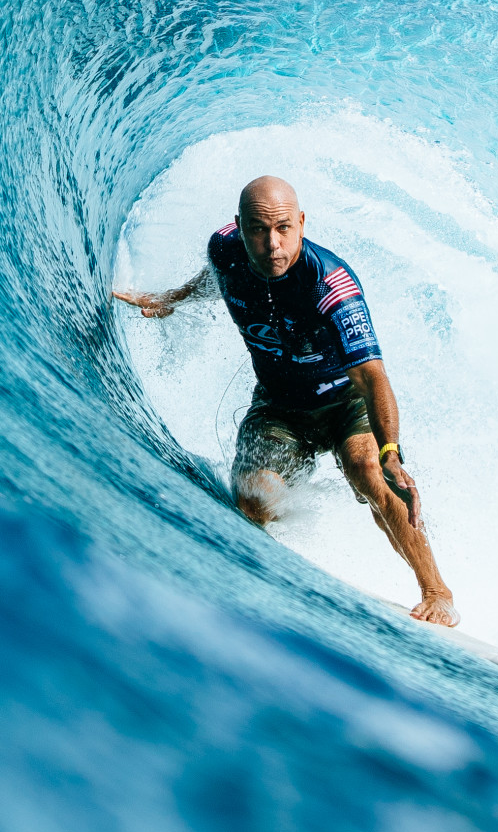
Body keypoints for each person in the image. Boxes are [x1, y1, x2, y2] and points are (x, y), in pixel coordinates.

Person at [113, 175, 459, 627]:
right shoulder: (224, 248)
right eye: (257, 229)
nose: (271, 243)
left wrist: (392, 452)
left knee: (369, 470)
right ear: (239, 228)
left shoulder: (331, 286)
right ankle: (248, 593)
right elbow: (217, 278)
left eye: (282, 229)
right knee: (254, 501)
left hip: (345, 405)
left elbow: (374, 379)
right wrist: (170, 299)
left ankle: (437, 590)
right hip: (279, 407)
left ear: (300, 223)